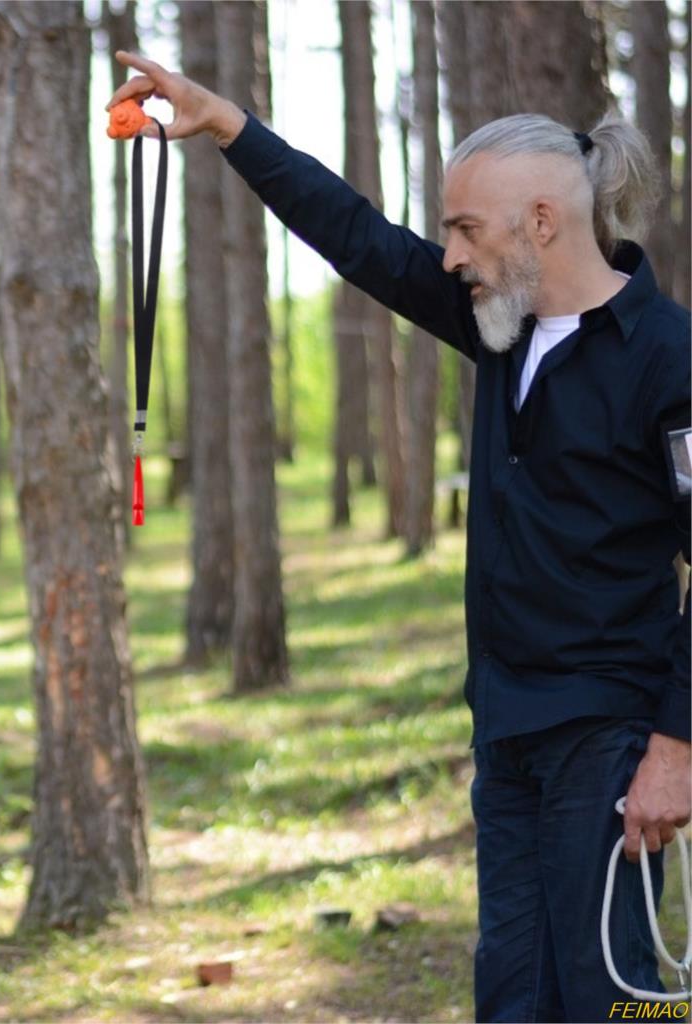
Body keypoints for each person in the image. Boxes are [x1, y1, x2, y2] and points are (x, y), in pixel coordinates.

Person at [108, 52, 692, 1023]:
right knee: (511, 993)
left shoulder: (668, 358)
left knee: (612, 997)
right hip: (505, 729)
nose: (450, 255)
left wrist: (674, 746)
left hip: (611, 739)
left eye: (465, 229)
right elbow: (357, 237)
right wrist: (226, 125)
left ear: (540, 223)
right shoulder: (499, 326)